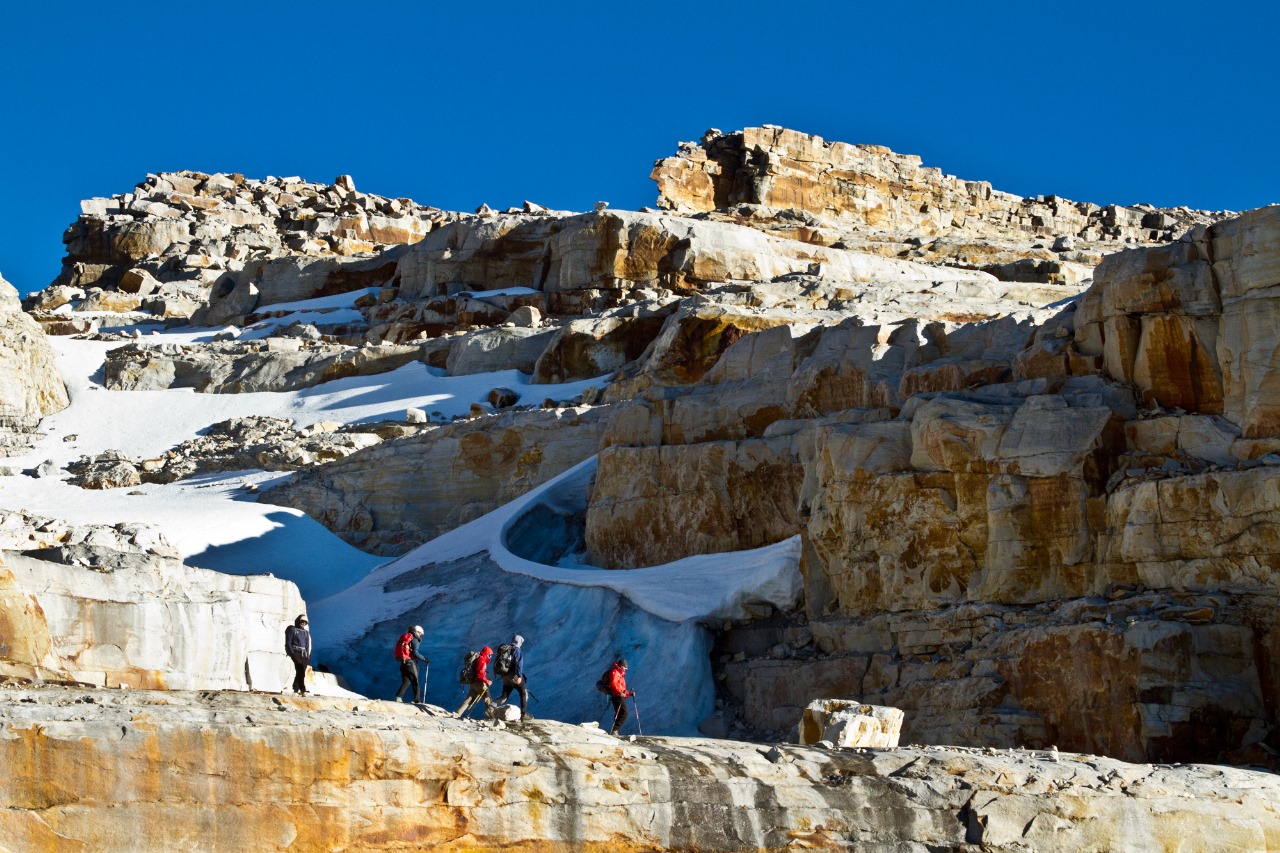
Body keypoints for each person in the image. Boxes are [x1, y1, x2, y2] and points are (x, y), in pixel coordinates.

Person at [497, 634, 531, 720]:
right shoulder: (517, 650)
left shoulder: (507, 649)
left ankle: (491, 707)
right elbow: (519, 664)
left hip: (505, 677)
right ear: (519, 641)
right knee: (523, 692)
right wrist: (519, 676)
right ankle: (523, 714)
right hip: (514, 677)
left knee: (504, 696)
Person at [394, 625, 430, 703]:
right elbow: (415, 653)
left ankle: (398, 697)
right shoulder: (414, 639)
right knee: (415, 681)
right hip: (410, 663)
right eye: (421, 634)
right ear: (418, 632)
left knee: (406, 681)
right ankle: (417, 701)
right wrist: (424, 659)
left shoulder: (406, 638)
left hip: (403, 662)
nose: (421, 636)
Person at [456, 645, 494, 718]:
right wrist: (487, 681)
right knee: (488, 699)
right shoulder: (482, 660)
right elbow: (480, 675)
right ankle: (492, 717)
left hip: (473, 683)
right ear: (487, 653)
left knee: (469, 699)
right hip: (480, 684)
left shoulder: (478, 658)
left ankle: (457, 713)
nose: (490, 657)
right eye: (490, 655)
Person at [604, 657, 634, 735]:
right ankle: (615, 730)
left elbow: (623, 690)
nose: (626, 669)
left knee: (620, 713)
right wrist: (619, 692)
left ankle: (615, 731)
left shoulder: (621, 676)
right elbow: (613, 684)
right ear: (621, 666)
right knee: (624, 712)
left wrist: (629, 693)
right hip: (616, 696)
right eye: (625, 667)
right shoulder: (615, 672)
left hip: (619, 695)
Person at [284, 615, 311, 696]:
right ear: (298, 621)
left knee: (301, 672)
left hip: (304, 654)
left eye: (305, 622)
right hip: (296, 652)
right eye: (302, 621)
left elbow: (307, 645)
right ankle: (302, 689)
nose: (303, 623)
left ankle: (296, 689)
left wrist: (307, 656)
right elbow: (288, 642)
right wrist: (292, 653)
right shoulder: (293, 630)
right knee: (300, 669)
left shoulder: (306, 633)